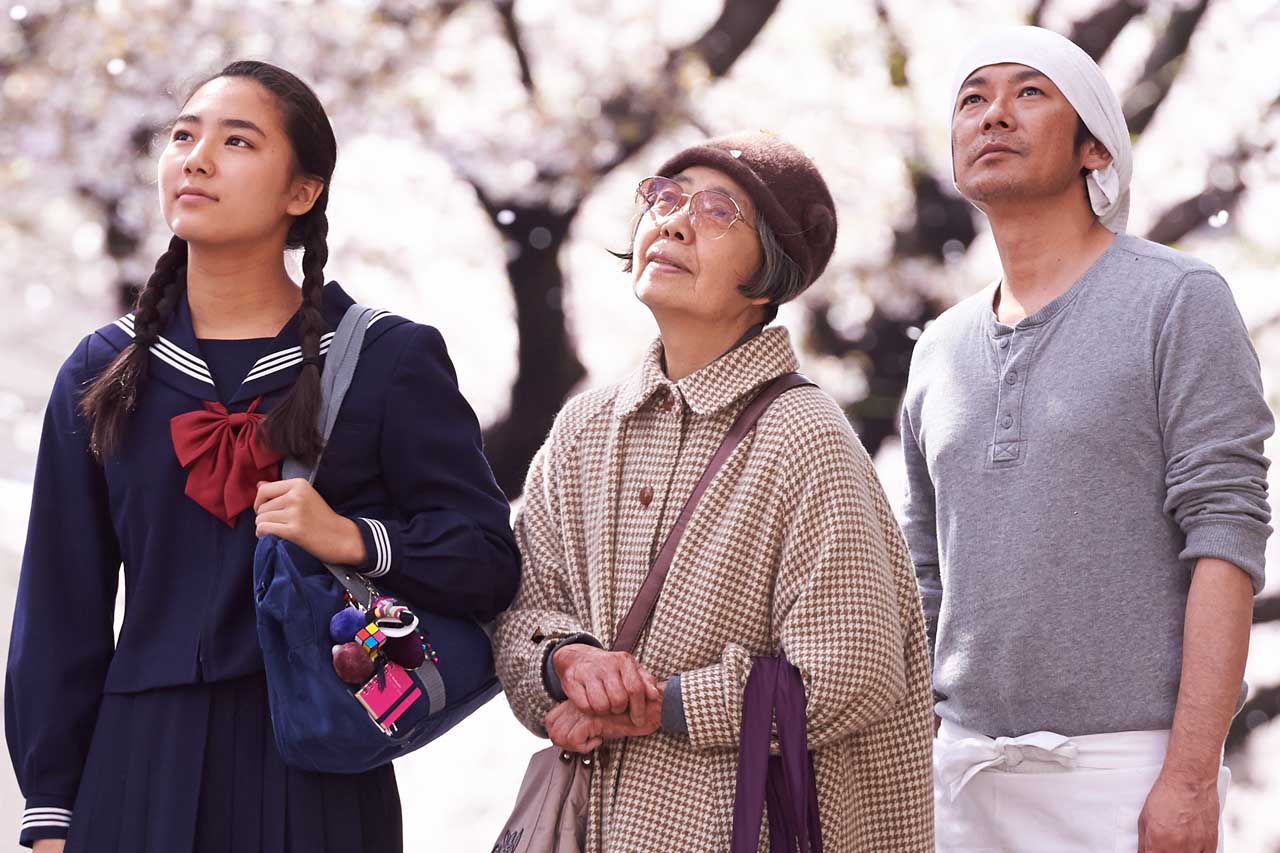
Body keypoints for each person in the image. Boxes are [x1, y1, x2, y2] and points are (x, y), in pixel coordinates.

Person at [5, 60, 520, 852]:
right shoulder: (102, 370)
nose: (196, 158)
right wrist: (51, 814)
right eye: (183, 135)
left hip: (316, 765)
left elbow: (488, 558)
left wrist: (355, 537)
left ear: (301, 192)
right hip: (132, 768)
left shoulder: (387, 358)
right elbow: (58, 607)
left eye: (236, 140)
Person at [493, 131, 934, 851]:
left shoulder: (803, 433)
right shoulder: (584, 426)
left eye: (718, 210)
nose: (672, 220)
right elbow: (520, 607)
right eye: (663, 199)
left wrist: (661, 706)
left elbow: (851, 670)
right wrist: (565, 660)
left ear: (772, 270)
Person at [900, 26, 1272, 852]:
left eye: (1028, 93)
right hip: (958, 783)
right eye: (972, 98)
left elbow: (1227, 534)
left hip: (1127, 780)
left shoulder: (1177, 299)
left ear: (1094, 149)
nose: (993, 114)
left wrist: (1187, 776)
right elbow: (924, 575)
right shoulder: (939, 348)